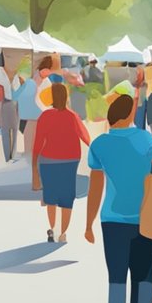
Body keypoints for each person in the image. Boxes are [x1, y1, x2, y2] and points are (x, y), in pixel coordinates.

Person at [86, 94, 152, 303]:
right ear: (128, 116)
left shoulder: (99, 144)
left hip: (111, 219)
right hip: (145, 217)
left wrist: (88, 223)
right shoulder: (143, 138)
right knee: (144, 275)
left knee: (116, 276)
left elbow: (95, 186)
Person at [33, 83, 91, 243]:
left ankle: (54, 229)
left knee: (50, 196)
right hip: (69, 160)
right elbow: (86, 137)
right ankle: (62, 233)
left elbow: (37, 143)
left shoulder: (45, 116)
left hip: (47, 161)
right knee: (66, 197)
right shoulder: (72, 116)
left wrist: (34, 166)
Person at [0, 53, 20, 162]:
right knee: (13, 129)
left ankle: (9, 156)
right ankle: (12, 154)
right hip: (10, 102)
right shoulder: (10, 72)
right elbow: (16, 87)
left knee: (6, 130)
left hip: (5, 103)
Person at [16, 69, 41, 154]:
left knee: (30, 134)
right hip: (29, 118)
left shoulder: (19, 93)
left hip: (24, 119)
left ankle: (31, 151)